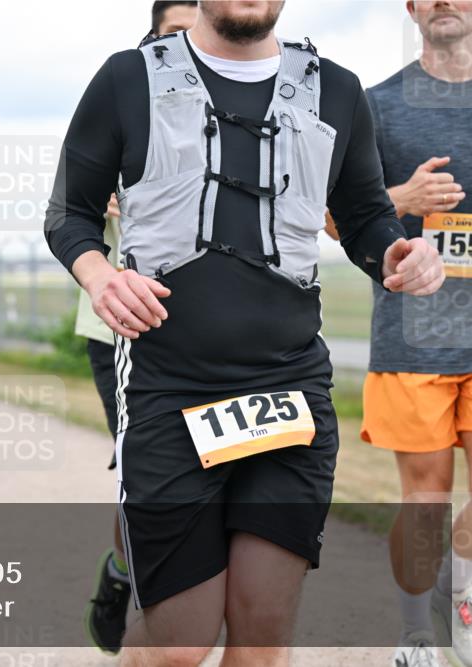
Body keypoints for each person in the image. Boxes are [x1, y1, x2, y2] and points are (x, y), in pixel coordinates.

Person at [44, 1, 446, 664]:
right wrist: (100, 275)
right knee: (181, 641)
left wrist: (394, 254)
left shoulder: (336, 90)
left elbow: (367, 216)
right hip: (168, 388)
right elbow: (70, 212)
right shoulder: (127, 79)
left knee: (261, 639)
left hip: (287, 391)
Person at [343, 2, 471, 665]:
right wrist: (402, 199)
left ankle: (459, 588)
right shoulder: (376, 105)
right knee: (426, 498)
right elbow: (338, 217)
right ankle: (418, 634)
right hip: (412, 335)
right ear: (413, 9)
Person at [76, 3, 199, 655]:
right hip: (121, 331)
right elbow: (69, 206)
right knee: (145, 476)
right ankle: (127, 574)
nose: (185, 45)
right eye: (172, 33)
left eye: (194, 31)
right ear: (150, 37)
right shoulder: (126, 95)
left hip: (213, 334)